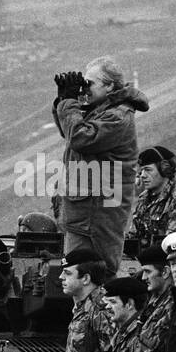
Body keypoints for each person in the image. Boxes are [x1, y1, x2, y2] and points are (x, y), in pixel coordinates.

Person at [52, 57, 150, 274]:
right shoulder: (102, 111)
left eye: (91, 84)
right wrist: (64, 100)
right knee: (78, 278)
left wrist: (68, 103)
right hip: (85, 213)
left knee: (94, 275)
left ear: (110, 86)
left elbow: (80, 138)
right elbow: (70, 132)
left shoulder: (118, 117)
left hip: (97, 216)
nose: (86, 89)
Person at [129, 145, 176, 247]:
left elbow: (171, 246)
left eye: (148, 170)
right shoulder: (144, 198)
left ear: (164, 170)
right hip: (144, 259)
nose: (143, 175)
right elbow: (133, 237)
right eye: (141, 170)